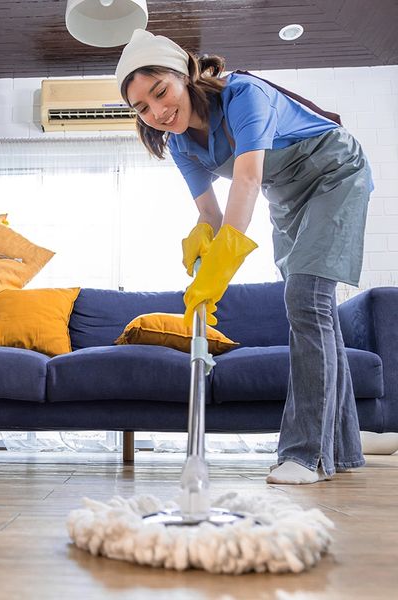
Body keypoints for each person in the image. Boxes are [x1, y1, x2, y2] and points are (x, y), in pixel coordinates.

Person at [115, 30, 373, 484]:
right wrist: (201, 238)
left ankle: (305, 454)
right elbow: (211, 214)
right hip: (289, 198)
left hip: (334, 174)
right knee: (318, 312)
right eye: (142, 108)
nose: (157, 112)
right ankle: (342, 449)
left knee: (306, 300)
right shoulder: (179, 143)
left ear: (185, 75)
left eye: (161, 92)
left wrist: (221, 269)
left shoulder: (243, 95)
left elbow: (247, 180)